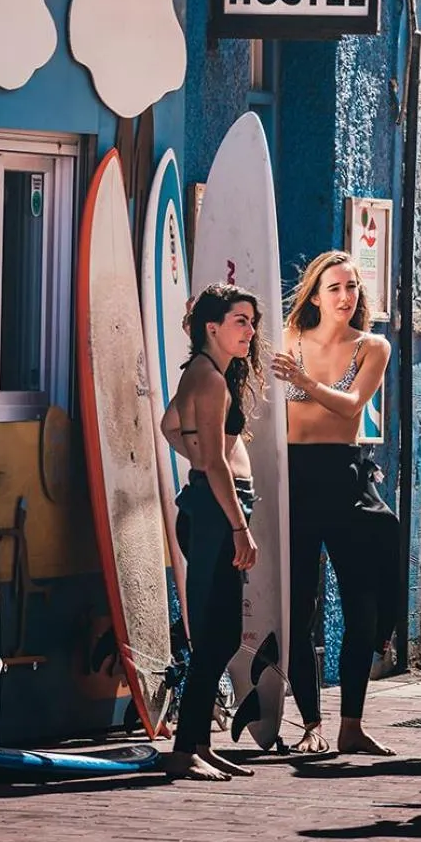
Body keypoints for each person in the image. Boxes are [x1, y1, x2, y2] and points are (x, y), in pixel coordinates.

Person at [272, 250, 399, 758]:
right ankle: (310, 722)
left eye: (352, 288)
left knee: (361, 606)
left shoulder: (373, 346)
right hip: (295, 479)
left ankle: (352, 723)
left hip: (345, 476)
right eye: (335, 288)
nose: (346, 297)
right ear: (316, 294)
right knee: (299, 605)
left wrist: (304, 383)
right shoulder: (287, 340)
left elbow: (352, 405)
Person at [160, 285, 262, 782]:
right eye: (240, 320)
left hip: (212, 505)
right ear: (212, 327)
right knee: (215, 638)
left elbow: (167, 425)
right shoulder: (209, 379)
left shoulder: (202, 373)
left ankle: (199, 744)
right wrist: (240, 527)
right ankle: (184, 751)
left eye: (251, 321)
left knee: (218, 634)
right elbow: (218, 462)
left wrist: (199, 460)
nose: (250, 330)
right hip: (219, 512)